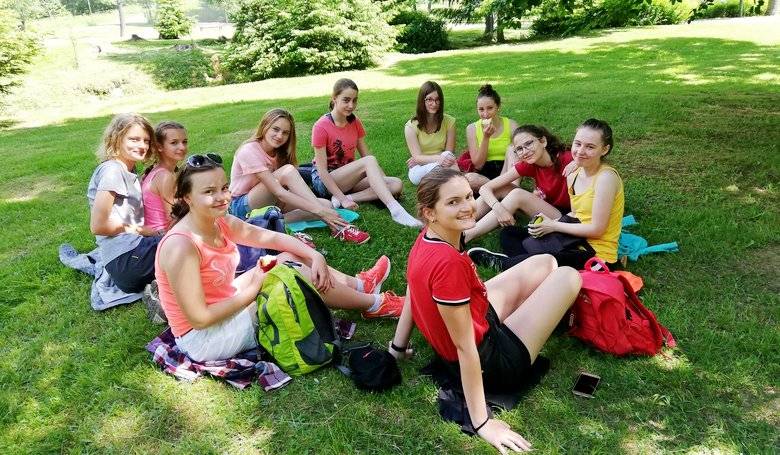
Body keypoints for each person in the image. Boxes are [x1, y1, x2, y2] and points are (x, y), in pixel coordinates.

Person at [388, 167, 581, 453]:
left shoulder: (429, 237)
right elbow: (465, 347)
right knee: (569, 276)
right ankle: (532, 317)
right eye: (453, 202)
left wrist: (397, 347)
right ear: (430, 212)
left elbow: (413, 293)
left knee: (546, 262)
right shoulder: (449, 264)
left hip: (477, 314)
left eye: (469, 196)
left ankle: (529, 309)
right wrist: (482, 423)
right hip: (491, 362)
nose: (467, 207)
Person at [155, 153, 404, 362]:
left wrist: (314, 254)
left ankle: (360, 286)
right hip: (206, 338)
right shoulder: (181, 246)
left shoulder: (218, 220)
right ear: (187, 197)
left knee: (287, 256)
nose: (222, 197)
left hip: (224, 302)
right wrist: (253, 289)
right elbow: (200, 319)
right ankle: (374, 304)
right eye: (209, 191)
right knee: (291, 274)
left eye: (224, 188)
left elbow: (272, 239)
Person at [469, 118, 624, 271]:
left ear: (604, 149)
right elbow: (576, 214)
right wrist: (552, 226)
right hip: (573, 236)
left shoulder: (605, 177)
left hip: (595, 253)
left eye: (590, 147)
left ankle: (505, 264)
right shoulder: (574, 173)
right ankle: (525, 263)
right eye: (577, 144)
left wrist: (553, 225)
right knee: (509, 234)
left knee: (546, 260)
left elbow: (597, 229)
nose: (580, 151)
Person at [228, 108, 368, 244]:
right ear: (265, 126)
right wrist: (320, 212)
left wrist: (320, 208)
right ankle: (337, 227)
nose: (279, 136)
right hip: (241, 206)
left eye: (285, 133)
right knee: (290, 175)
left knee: (327, 205)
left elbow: (282, 193)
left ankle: (265, 222)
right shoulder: (249, 150)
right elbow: (279, 192)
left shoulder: (279, 152)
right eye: (275, 129)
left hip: (271, 201)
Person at [303, 78, 422, 228]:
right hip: (325, 182)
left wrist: (383, 182)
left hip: (348, 179)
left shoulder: (355, 122)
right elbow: (322, 171)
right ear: (334, 98)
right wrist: (343, 199)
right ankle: (396, 211)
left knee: (395, 184)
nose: (351, 105)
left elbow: (365, 154)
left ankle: (347, 198)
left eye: (354, 100)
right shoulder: (321, 126)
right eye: (346, 100)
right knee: (369, 161)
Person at [88, 113, 161, 294]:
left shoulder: (127, 169)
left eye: (146, 141)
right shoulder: (113, 172)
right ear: (117, 138)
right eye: (134, 139)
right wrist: (141, 230)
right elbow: (98, 226)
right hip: (128, 260)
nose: (142, 146)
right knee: (190, 240)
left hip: (126, 262)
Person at [463, 125, 572, 243]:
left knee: (517, 195)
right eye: (519, 149)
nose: (525, 152)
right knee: (502, 187)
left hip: (567, 219)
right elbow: (485, 188)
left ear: (543, 141)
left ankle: (466, 236)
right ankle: (459, 223)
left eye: (529, 144)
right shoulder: (530, 164)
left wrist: (580, 164)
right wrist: (499, 209)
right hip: (549, 209)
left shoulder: (569, 159)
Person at [464, 84, 518, 191]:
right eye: (481, 109)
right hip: (485, 174)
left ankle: (501, 190)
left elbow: (520, 158)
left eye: (490, 108)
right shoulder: (472, 128)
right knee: (470, 179)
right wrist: (486, 137)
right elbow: (478, 165)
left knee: (512, 149)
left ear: (498, 107)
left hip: (508, 171)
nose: (485, 114)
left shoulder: (512, 125)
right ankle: (505, 191)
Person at [404, 81, 457, 185]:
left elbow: (449, 152)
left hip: (443, 162)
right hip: (419, 169)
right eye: (429, 99)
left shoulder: (450, 122)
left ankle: (442, 178)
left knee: (447, 155)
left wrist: (422, 158)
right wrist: (438, 158)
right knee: (447, 164)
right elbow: (417, 158)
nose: (434, 104)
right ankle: (450, 177)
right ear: (422, 101)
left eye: (437, 99)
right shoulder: (410, 127)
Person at [142, 121, 188, 233]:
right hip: (162, 234)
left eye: (184, 142)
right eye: (174, 143)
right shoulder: (165, 177)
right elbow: (173, 218)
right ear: (159, 147)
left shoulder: (157, 171)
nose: (182, 147)